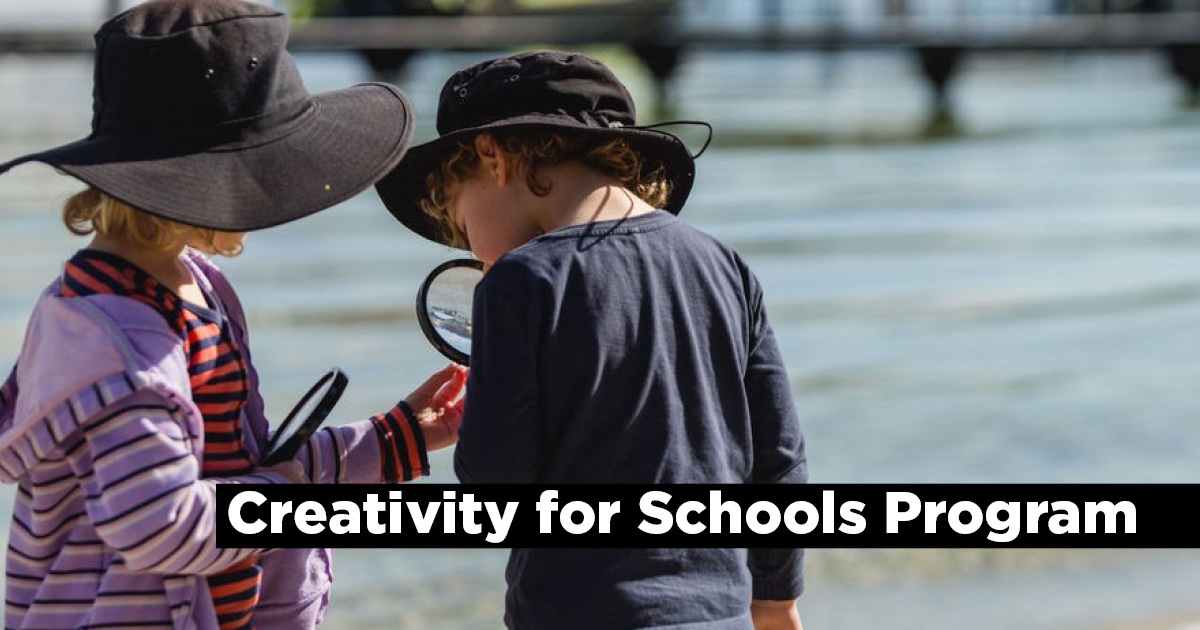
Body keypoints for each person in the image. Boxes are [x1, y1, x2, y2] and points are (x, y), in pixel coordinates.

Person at [0, 1, 465, 629]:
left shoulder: (192, 285)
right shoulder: (113, 348)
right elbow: (167, 528)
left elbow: (243, 469)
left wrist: (395, 439)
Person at [374, 50, 807, 630]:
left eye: (458, 219)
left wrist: (482, 410)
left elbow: (496, 485)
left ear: (492, 157)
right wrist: (775, 600)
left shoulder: (518, 282)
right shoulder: (723, 265)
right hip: (719, 612)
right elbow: (779, 459)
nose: (470, 247)